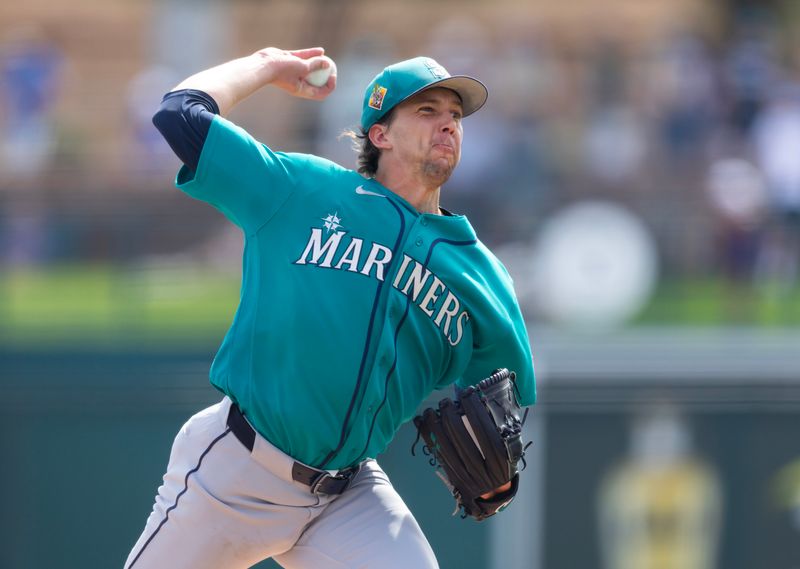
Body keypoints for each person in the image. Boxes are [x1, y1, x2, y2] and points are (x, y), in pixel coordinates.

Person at [125, 46, 536, 569]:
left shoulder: (481, 274)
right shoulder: (303, 192)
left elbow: (506, 397)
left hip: (347, 494)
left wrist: (500, 469)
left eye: (455, 116)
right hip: (235, 472)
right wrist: (269, 65)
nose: (448, 125)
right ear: (380, 135)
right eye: (427, 111)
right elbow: (179, 114)